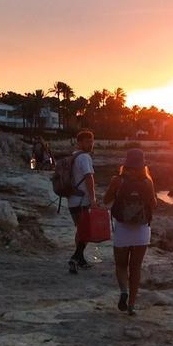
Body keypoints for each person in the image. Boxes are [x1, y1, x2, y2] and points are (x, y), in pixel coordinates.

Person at [102, 148, 156, 316]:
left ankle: (123, 291)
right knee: (136, 267)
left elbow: (106, 200)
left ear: (126, 164)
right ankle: (132, 304)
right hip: (141, 230)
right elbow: (153, 205)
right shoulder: (148, 181)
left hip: (122, 229)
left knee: (121, 265)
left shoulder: (117, 180)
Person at [66, 130, 97, 274]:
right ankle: (75, 258)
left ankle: (81, 259)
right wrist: (93, 199)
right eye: (87, 141)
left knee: (81, 230)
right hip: (81, 201)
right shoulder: (84, 157)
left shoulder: (73, 156)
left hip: (72, 200)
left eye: (91, 141)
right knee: (86, 232)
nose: (90, 144)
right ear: (79, 143)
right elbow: (89, 178)